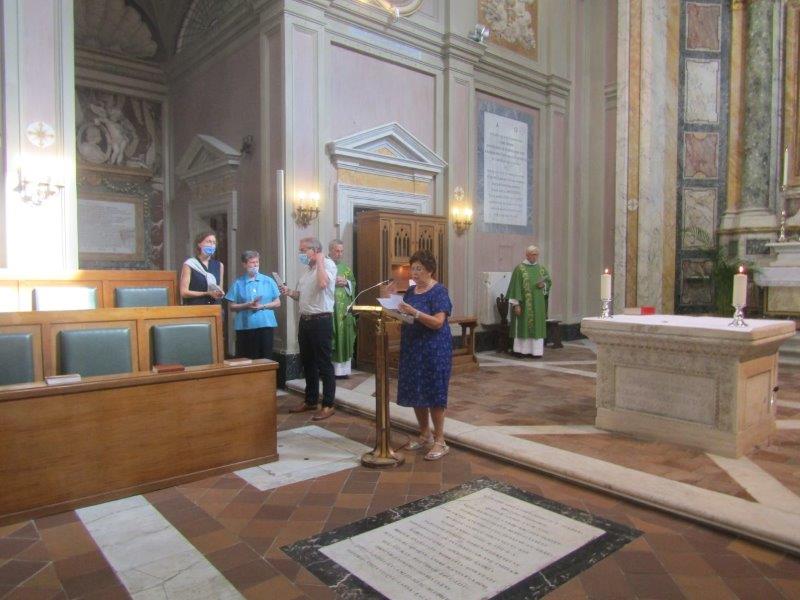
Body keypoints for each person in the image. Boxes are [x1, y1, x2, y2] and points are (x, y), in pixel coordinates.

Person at [395, 250, 453, 461]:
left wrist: (415, 313)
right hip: (413, 348)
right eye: (413, 268)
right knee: (416, 390)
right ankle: (424, 434)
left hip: (434, 349)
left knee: (434, 392)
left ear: (430, 270)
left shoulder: (439, 291)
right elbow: (407, 314)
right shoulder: (411, 291)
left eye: (419, 268)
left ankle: (440, 440)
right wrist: (397, 312)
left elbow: (438, 322)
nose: (414, 272)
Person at [279, 237, 338, 421]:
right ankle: (311, 400)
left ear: (316, 250)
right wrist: (289, 292)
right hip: (305, 321)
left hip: (321, 320)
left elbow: (323, 284)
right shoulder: (307, 271)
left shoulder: (327, 265)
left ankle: (328, 404)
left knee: (324, 364)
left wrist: (320, 261)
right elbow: (301, 296)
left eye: (304, 250)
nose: (301, 254)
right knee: (308, 362)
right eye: (300, 250)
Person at [225, 250, 281, 360]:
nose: (255, 265)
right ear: (244, 264)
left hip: (265, 325)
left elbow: (277, 302)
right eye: (252, 262)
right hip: (245, 326)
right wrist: (247, 305)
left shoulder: (268, 281)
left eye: (257, 262)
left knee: (266, 358)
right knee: (247, 359)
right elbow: (232, 307)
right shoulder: (238, 283)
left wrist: (262, 306)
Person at [506, 245, 552, 358]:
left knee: (537, 326)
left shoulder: (541, 269)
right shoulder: (519, 269)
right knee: (523, 326)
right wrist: (516, 304)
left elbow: (548, 282)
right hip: (524, 305)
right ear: (527, 255)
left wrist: (543, 285)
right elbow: (515, 287)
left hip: (538, 305)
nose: (535, 257)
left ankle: (536, 352)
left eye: (537, 254)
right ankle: (521, 350)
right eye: (533, 254)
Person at [328, 239, 357, 378]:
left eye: (341, 251)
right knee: (332, 336)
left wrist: (347, 282)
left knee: (345, 336)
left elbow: (353, 284)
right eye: (337, 251)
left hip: (344, 310)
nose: (340, 254)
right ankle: (330, 371)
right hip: (331, 309)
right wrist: (332, 282)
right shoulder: (325, 266)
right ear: (330, 250)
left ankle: (343, 371)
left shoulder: (346, 268)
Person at [180, 231, 224, 305]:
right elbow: (184, 292)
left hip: (214, 307)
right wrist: (206, 293)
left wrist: (220, 293)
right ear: (199, 244)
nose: (211, 245)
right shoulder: (190, 264)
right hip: (196, 307)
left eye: (214, 243)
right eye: (208, 242)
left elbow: (219, 288)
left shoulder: (219, 265)